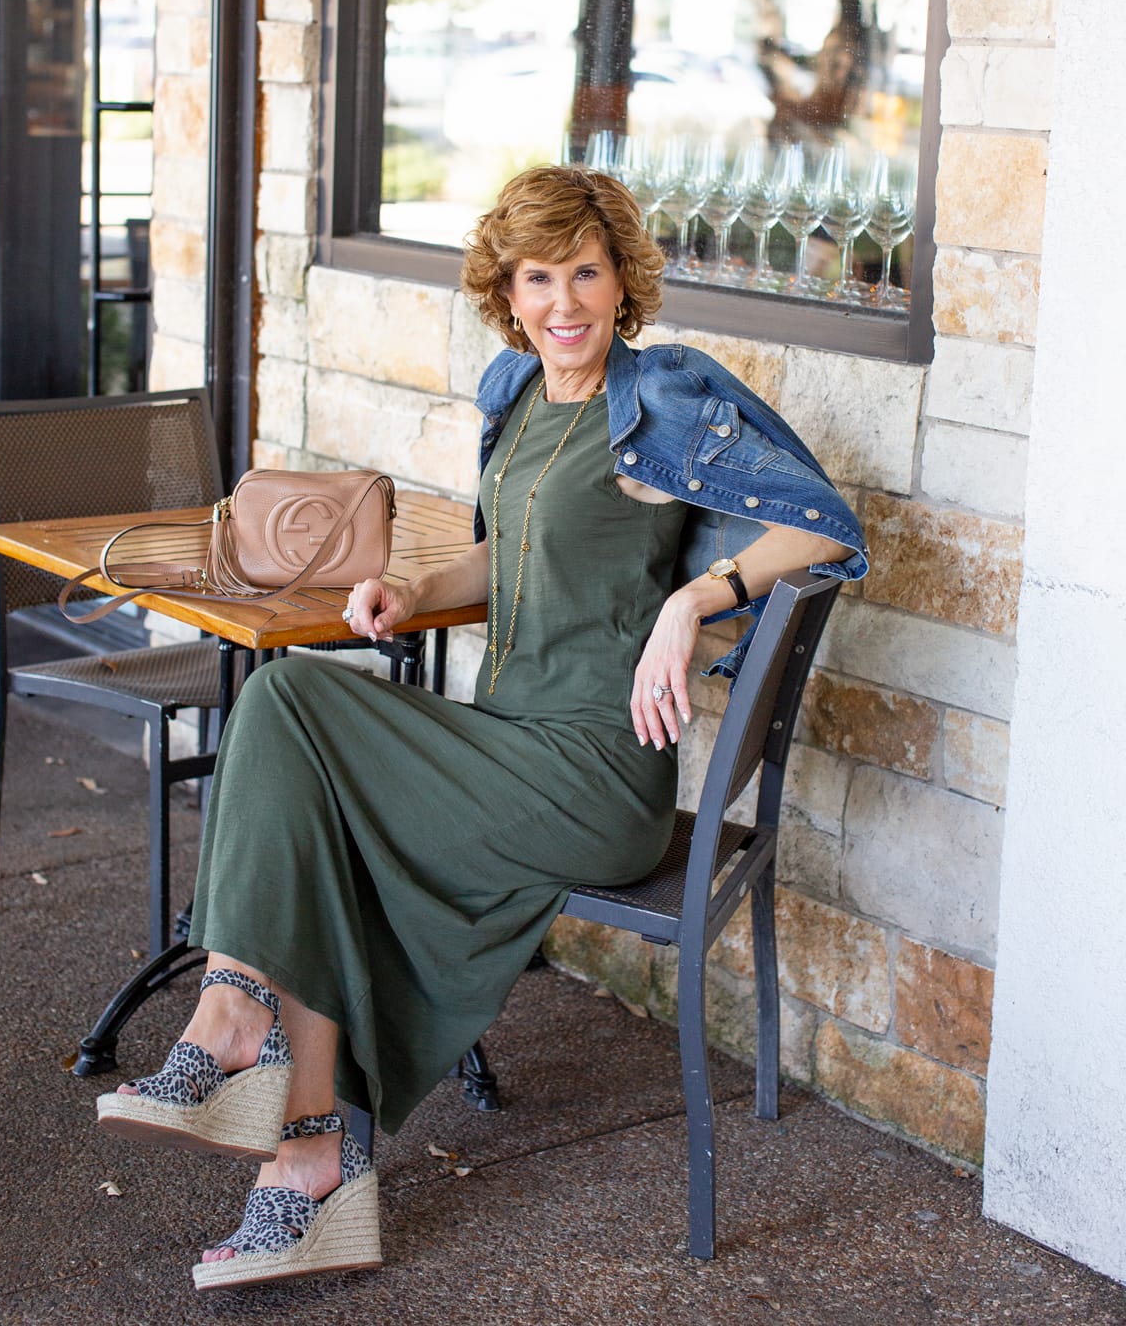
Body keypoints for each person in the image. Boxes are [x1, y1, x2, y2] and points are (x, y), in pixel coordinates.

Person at [96, 164, 867, 1292]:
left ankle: (231, 1025)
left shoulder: (661, 401)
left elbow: (823, 527)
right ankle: (307, 1170)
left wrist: (694, 600)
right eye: (538, 277)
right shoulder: (516, 391)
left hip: (590, 776)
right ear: (507, 291)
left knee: (287, 696)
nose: (564, 303)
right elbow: (505, 550)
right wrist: (414, 592)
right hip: (504, 746)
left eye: (586, 274)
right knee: (311, 817)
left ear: (622, 282)